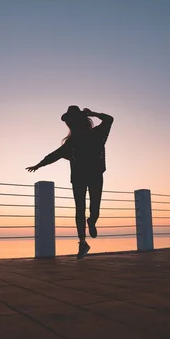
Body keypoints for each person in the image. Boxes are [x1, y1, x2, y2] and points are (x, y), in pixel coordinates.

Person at [26, 106, 114, 259]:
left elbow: (109, 119)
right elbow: (54, 155)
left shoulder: (97, 134)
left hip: (95, 175)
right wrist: (39, 165)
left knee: (95, 207)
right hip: (79, 178)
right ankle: (82, 242)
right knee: (79, 209)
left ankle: (92, 221)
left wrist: (93, 113)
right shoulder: (71, 142)